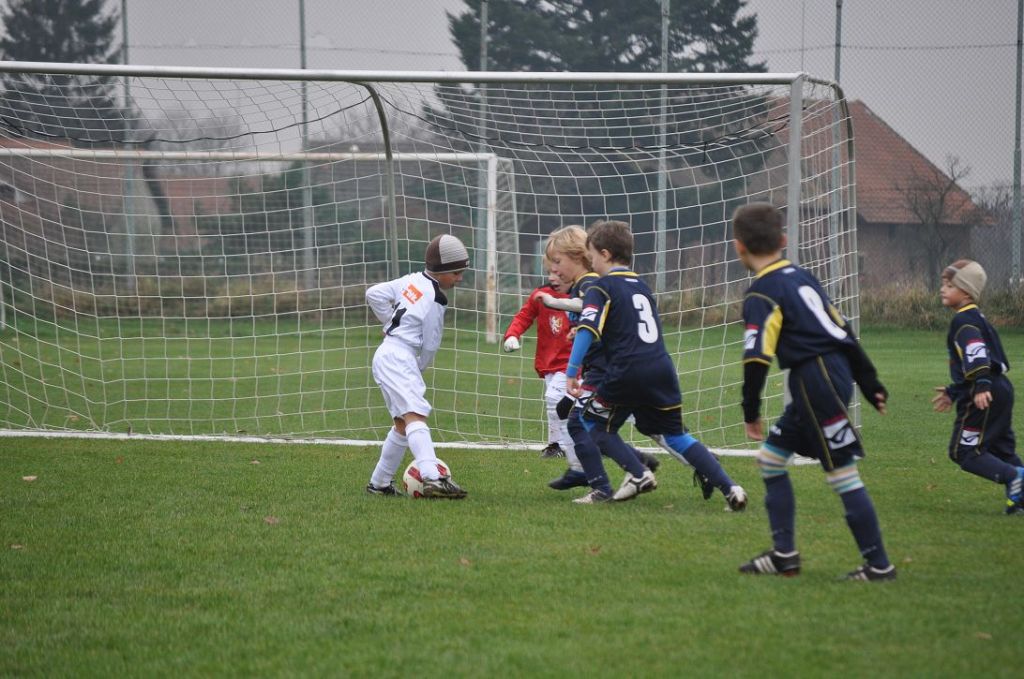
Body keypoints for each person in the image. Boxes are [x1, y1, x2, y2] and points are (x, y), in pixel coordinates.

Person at [731, 203, 894, 580]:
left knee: (842, 473)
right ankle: (784, 555)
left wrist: (750, 410)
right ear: (783, 240)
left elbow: (756, 358)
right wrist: (869, 382)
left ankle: (879, 566)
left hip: (815, 382)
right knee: (771, 460)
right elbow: (843, 330)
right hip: (830, 374)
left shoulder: (761, 293)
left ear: (738, 246)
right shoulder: (802, 277)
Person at [564, 220, 746, 509]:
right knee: (676, 436)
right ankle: (731, 488)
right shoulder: (642, 286)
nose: (592, 263)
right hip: (661, 368)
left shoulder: (602, 287)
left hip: (627, 370)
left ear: (606, 254)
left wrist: (572, 371)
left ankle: (639, 473)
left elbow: (587, 329)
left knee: (592, 423)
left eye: (593, 256)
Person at [542, 225, 662, 502]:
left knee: (582, 423)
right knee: (585, 422)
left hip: (605, 370)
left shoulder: (589, 283)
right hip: (605, 368)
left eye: (557, 262)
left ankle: (606, 483)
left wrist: (555, 303)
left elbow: (587, 310)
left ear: (578, 256)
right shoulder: (586, 283)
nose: (553, 271)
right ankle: (635, 462)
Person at [363, 234, 470, 499]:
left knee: (402, 423)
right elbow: (431, 344)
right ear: (442, 271)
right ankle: (433, 477)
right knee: (415, 415)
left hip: (386, 353)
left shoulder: (410, 280)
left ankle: (379, 484)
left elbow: (373, 294)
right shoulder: (436, 299)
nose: (459, 278)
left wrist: (390, 324)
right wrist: (419, 365)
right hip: (400, 358)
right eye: (456, 273)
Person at [931, 259, 1023, 514]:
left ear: (967, 292)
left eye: (950, 285)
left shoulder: (963, 321)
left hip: (985, 390)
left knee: (963, 451)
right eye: (943, 284)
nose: (943, 289)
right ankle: (1020, 500)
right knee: (1001, 449)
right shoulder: (977, 318)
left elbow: (977, 353)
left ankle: (1014, 477)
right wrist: (953, 392)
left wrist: (981, 385)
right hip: (1001, 388)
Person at [503, 266, 589, 489]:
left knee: (554, 400)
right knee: (568, 405)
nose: (553, 278)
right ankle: (567, 444)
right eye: (550, 272)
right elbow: (524, 316)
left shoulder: (583, 297)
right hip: (548, 362)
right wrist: (512, 334)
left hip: (572, 363)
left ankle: (563, 449)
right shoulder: (540, 295)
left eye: (559, 273)